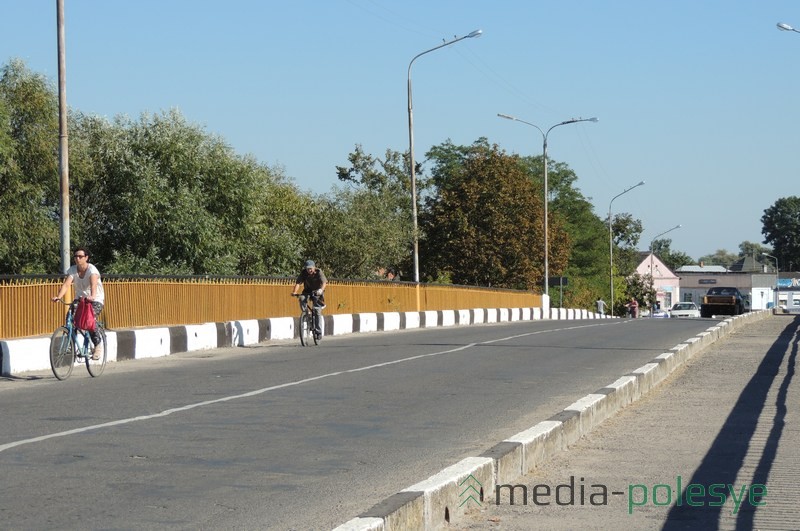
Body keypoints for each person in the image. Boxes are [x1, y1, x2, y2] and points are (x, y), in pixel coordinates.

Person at [52, 247, 105, 360]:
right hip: (80, 299)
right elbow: (66, 284)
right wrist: (59, 297)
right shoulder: (73, 270)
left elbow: (93, 284)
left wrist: (93, 296)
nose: (77, 258)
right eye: (75, 256)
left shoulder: (92, 270)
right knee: (70, 319)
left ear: (86, 258)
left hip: (95, 299)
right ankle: (71, 345)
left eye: (80, 256)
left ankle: (97, 345)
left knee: (89, 320)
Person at [291, 260, 327, 339]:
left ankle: (318, 332)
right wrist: (294, 292)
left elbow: (324, 282)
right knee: (301, 298)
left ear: (314, 268)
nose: (309, 270)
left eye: (310, 268)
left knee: (317, 311)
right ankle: (306, 314)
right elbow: (298, 283)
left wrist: (321, 290)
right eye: (307, 269)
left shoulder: (319, 272)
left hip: (318, 291)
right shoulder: (304, 273)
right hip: (307, 291)